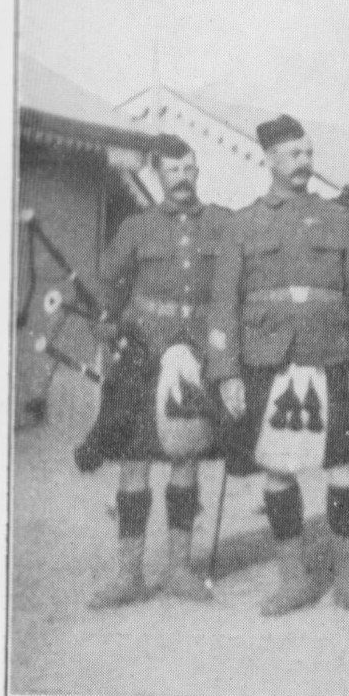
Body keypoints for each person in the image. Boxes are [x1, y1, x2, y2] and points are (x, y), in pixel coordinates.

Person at [208, 115, 349, 615]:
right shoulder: (243, 225)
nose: (305, 163)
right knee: (276, 469)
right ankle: (293, 579)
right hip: (268, 357)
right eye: (294, 154)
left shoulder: (340, 221)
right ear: (269, 159)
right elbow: (224, 302)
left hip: (332, 355)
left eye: (309, 153)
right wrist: (225, 371)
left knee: (344, 466)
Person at [87, 135, 232, 606]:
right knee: (135, 459)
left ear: (198, 171)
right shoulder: (136, 227)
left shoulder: (221, 225)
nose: (183, 178)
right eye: (173, 171)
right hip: (144, 352)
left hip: (195, 355)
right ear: (158, 175)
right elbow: (110, 286)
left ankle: (179, 569)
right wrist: (107, 326)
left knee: (186, 458)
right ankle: (129, 575)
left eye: (189, 168)